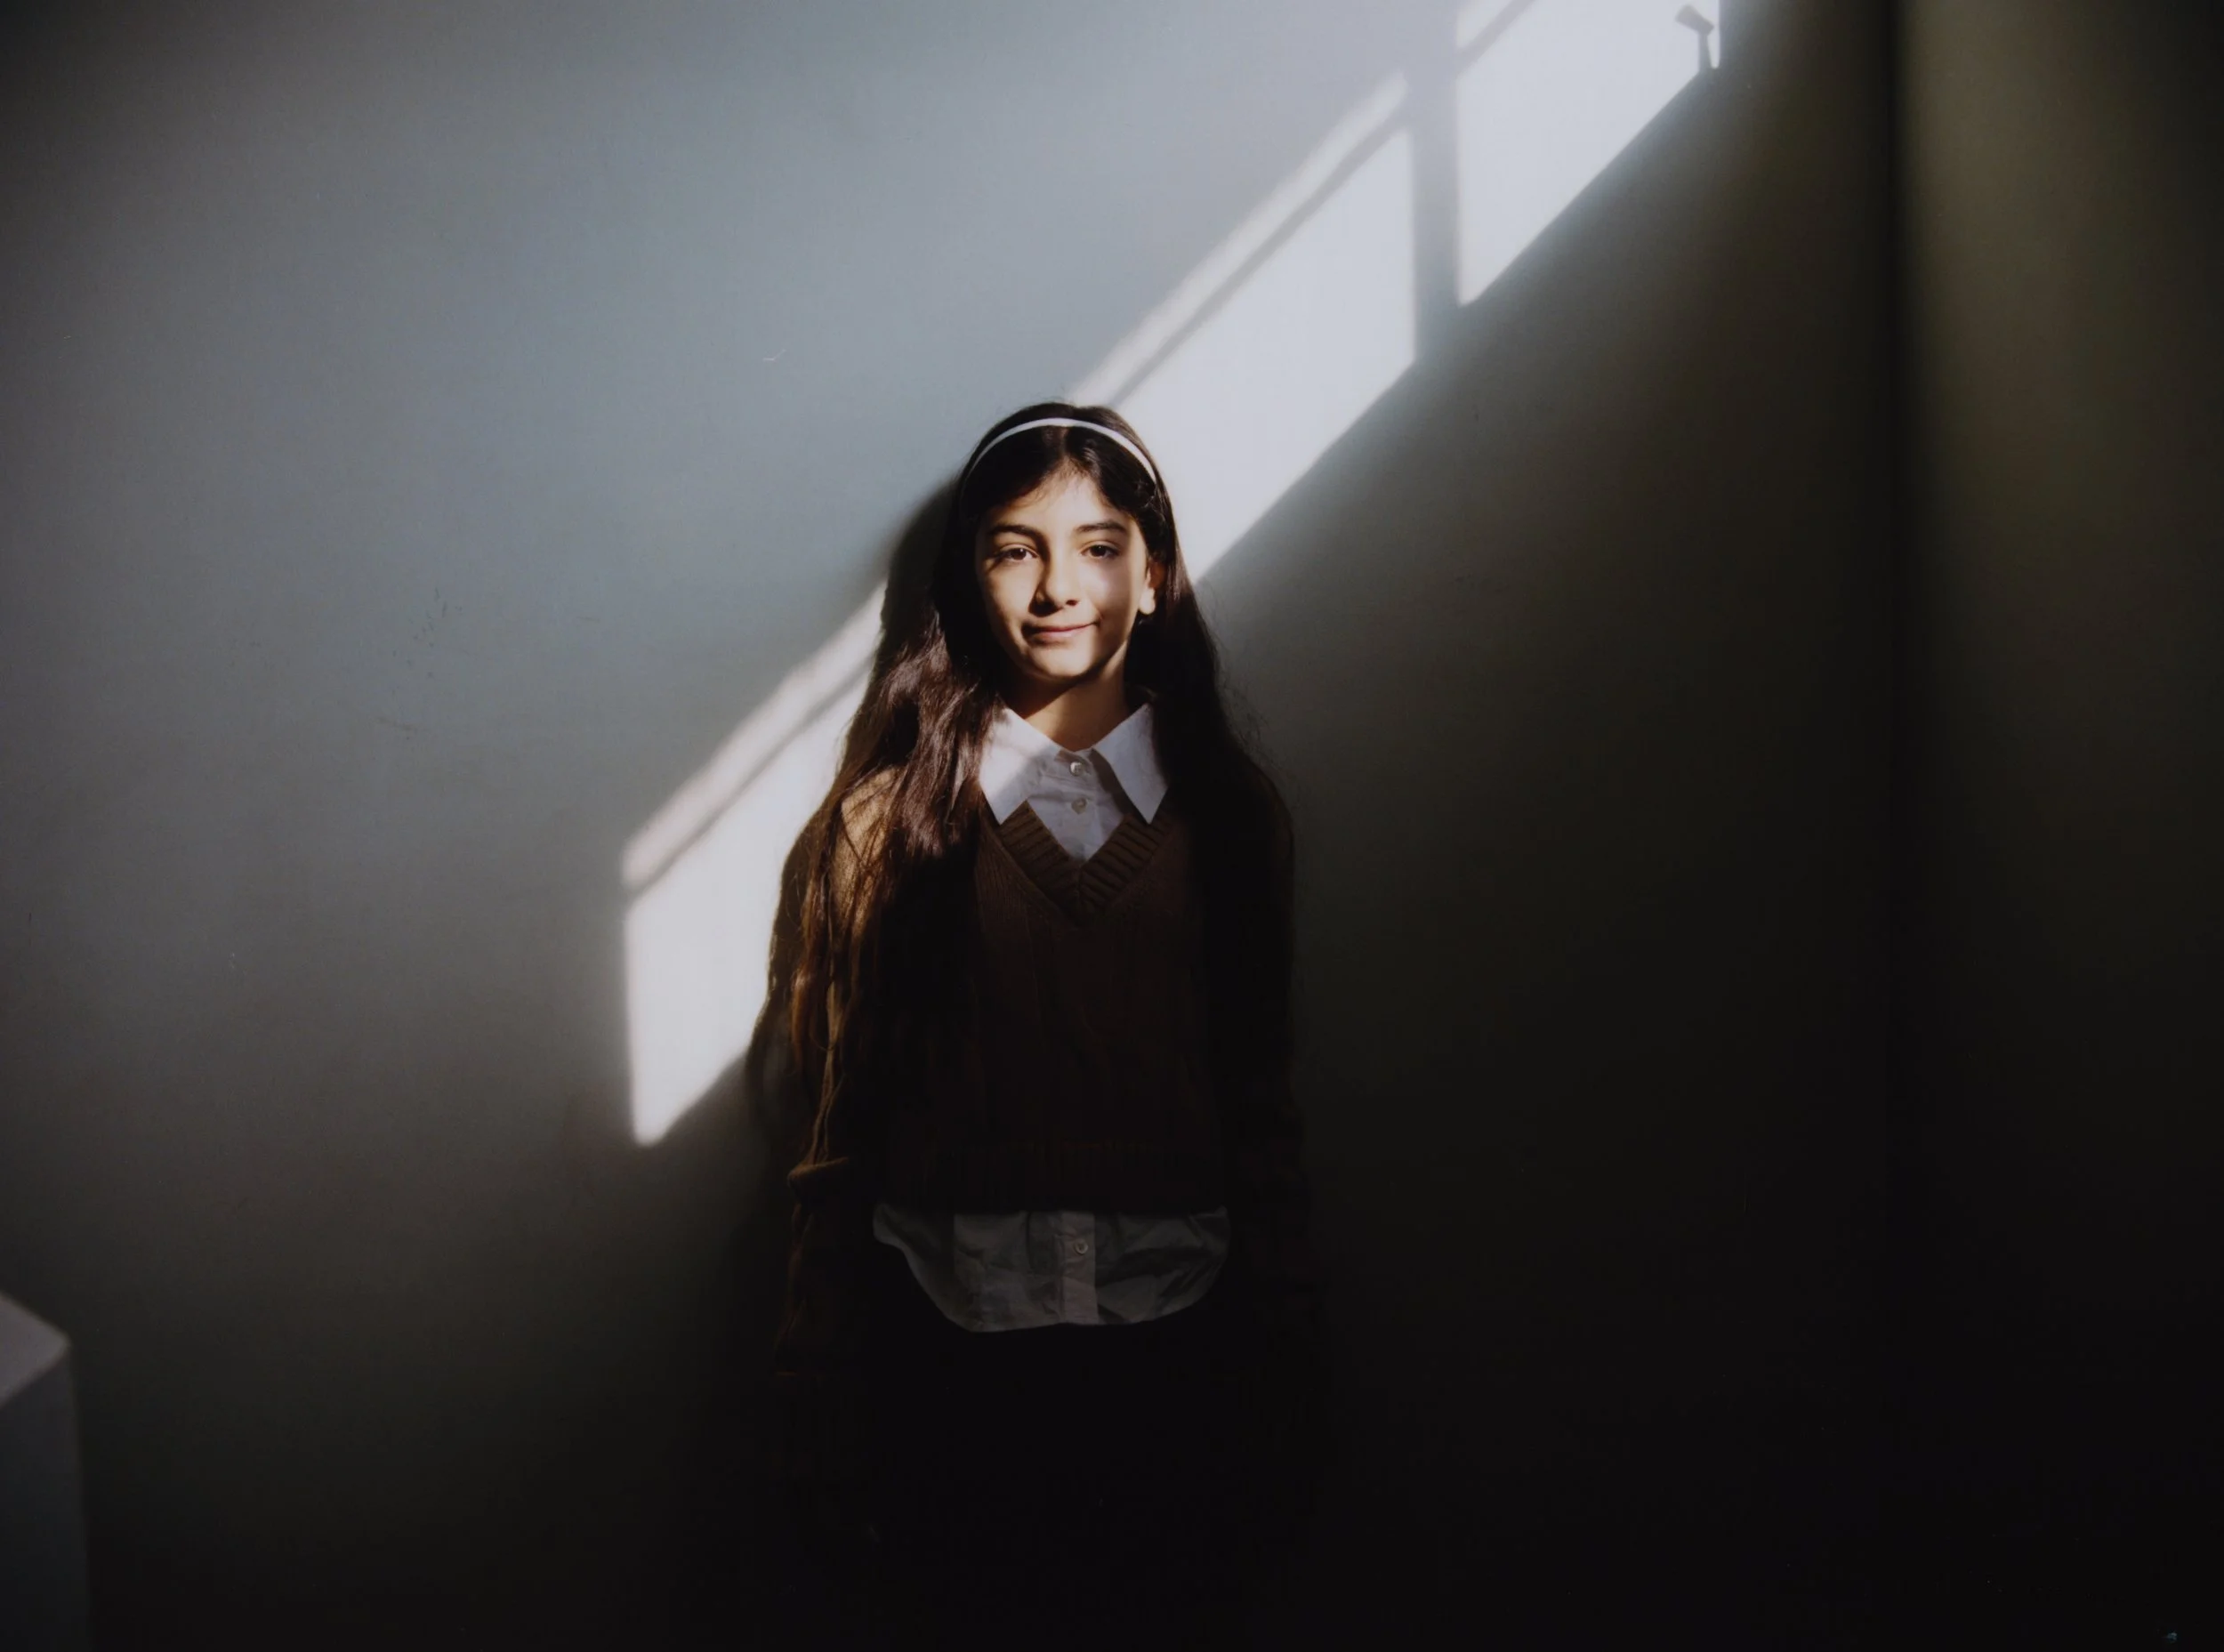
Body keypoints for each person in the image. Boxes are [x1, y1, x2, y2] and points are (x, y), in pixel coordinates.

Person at [764, 403, 1329, 1647]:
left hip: (1178, 1341)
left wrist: (1290, 1329)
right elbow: (840, 1114)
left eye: (1099, 544)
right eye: (1014, 548)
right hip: (943, 1346)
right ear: (967, 578)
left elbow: (1260, 1094)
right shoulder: (886, 826)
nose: (1057, 586)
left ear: (1157, 571)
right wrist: (816, 1354)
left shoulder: (1233, 823)